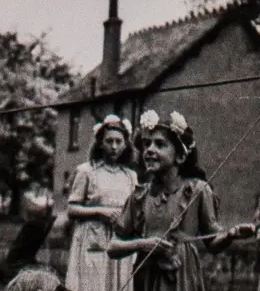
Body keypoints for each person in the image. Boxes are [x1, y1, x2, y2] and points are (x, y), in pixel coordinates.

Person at [107, 110, 256, 291]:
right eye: (147, 144)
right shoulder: (139, 195)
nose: (149, 150)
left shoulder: (197, 191)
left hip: (183, 279)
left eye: (160, 144)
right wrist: (142, 244)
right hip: (147, 279)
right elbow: (113, 247)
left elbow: (213, 244)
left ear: (181, 156)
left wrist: (231, 235)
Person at [65, 114, 138, 291]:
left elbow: (135, 211)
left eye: (119, 141)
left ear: (126, 144)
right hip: (92, 240)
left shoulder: (130, 176)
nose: (114, 147)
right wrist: (99, 212)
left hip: (120, 240)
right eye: (109, 141)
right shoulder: (87, 171)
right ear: (100, 143)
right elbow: (72, 209)